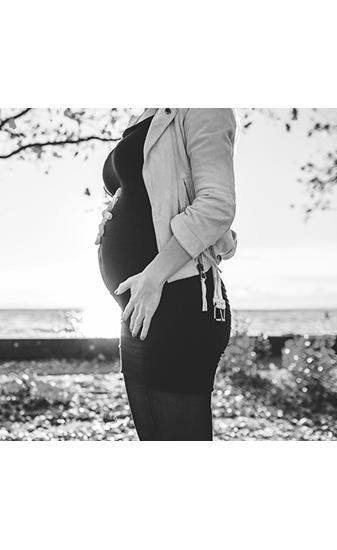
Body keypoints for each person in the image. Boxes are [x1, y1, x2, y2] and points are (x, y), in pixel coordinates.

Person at [95, 107, 239, 440]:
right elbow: (149, 192)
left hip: (179, 302)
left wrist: (153, 276)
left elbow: (217, 204)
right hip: (139, 308)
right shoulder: (144, 115)